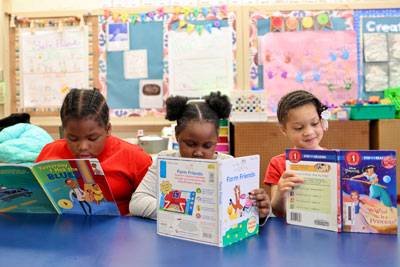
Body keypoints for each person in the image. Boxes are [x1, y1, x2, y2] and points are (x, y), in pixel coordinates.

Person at [130, 91, 271, 224]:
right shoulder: (165, 161)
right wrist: (189, 210)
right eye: (190, 144)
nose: (198, 153)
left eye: (207, 146)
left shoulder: (228, 164)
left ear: (216, 138)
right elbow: (137, 202)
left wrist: (261, 211)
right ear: (177, 134)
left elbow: (244, 209)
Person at [35, 88, 152, 215]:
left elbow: (153, 204)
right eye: (73, 138)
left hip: (120, 230)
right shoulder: (50, 152)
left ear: (108, 129)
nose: (83, 146)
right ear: (64, 130)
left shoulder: (134, 157)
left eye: (92, 138)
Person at [264, 90, 330, 217]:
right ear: (284, 130)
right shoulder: (277, 164)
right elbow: (278, 212)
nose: (309, 132)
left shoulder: (334, 160)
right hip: (292, 231)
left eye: (315, 123)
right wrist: (280, 192)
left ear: (322, 121)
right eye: (299, 128)